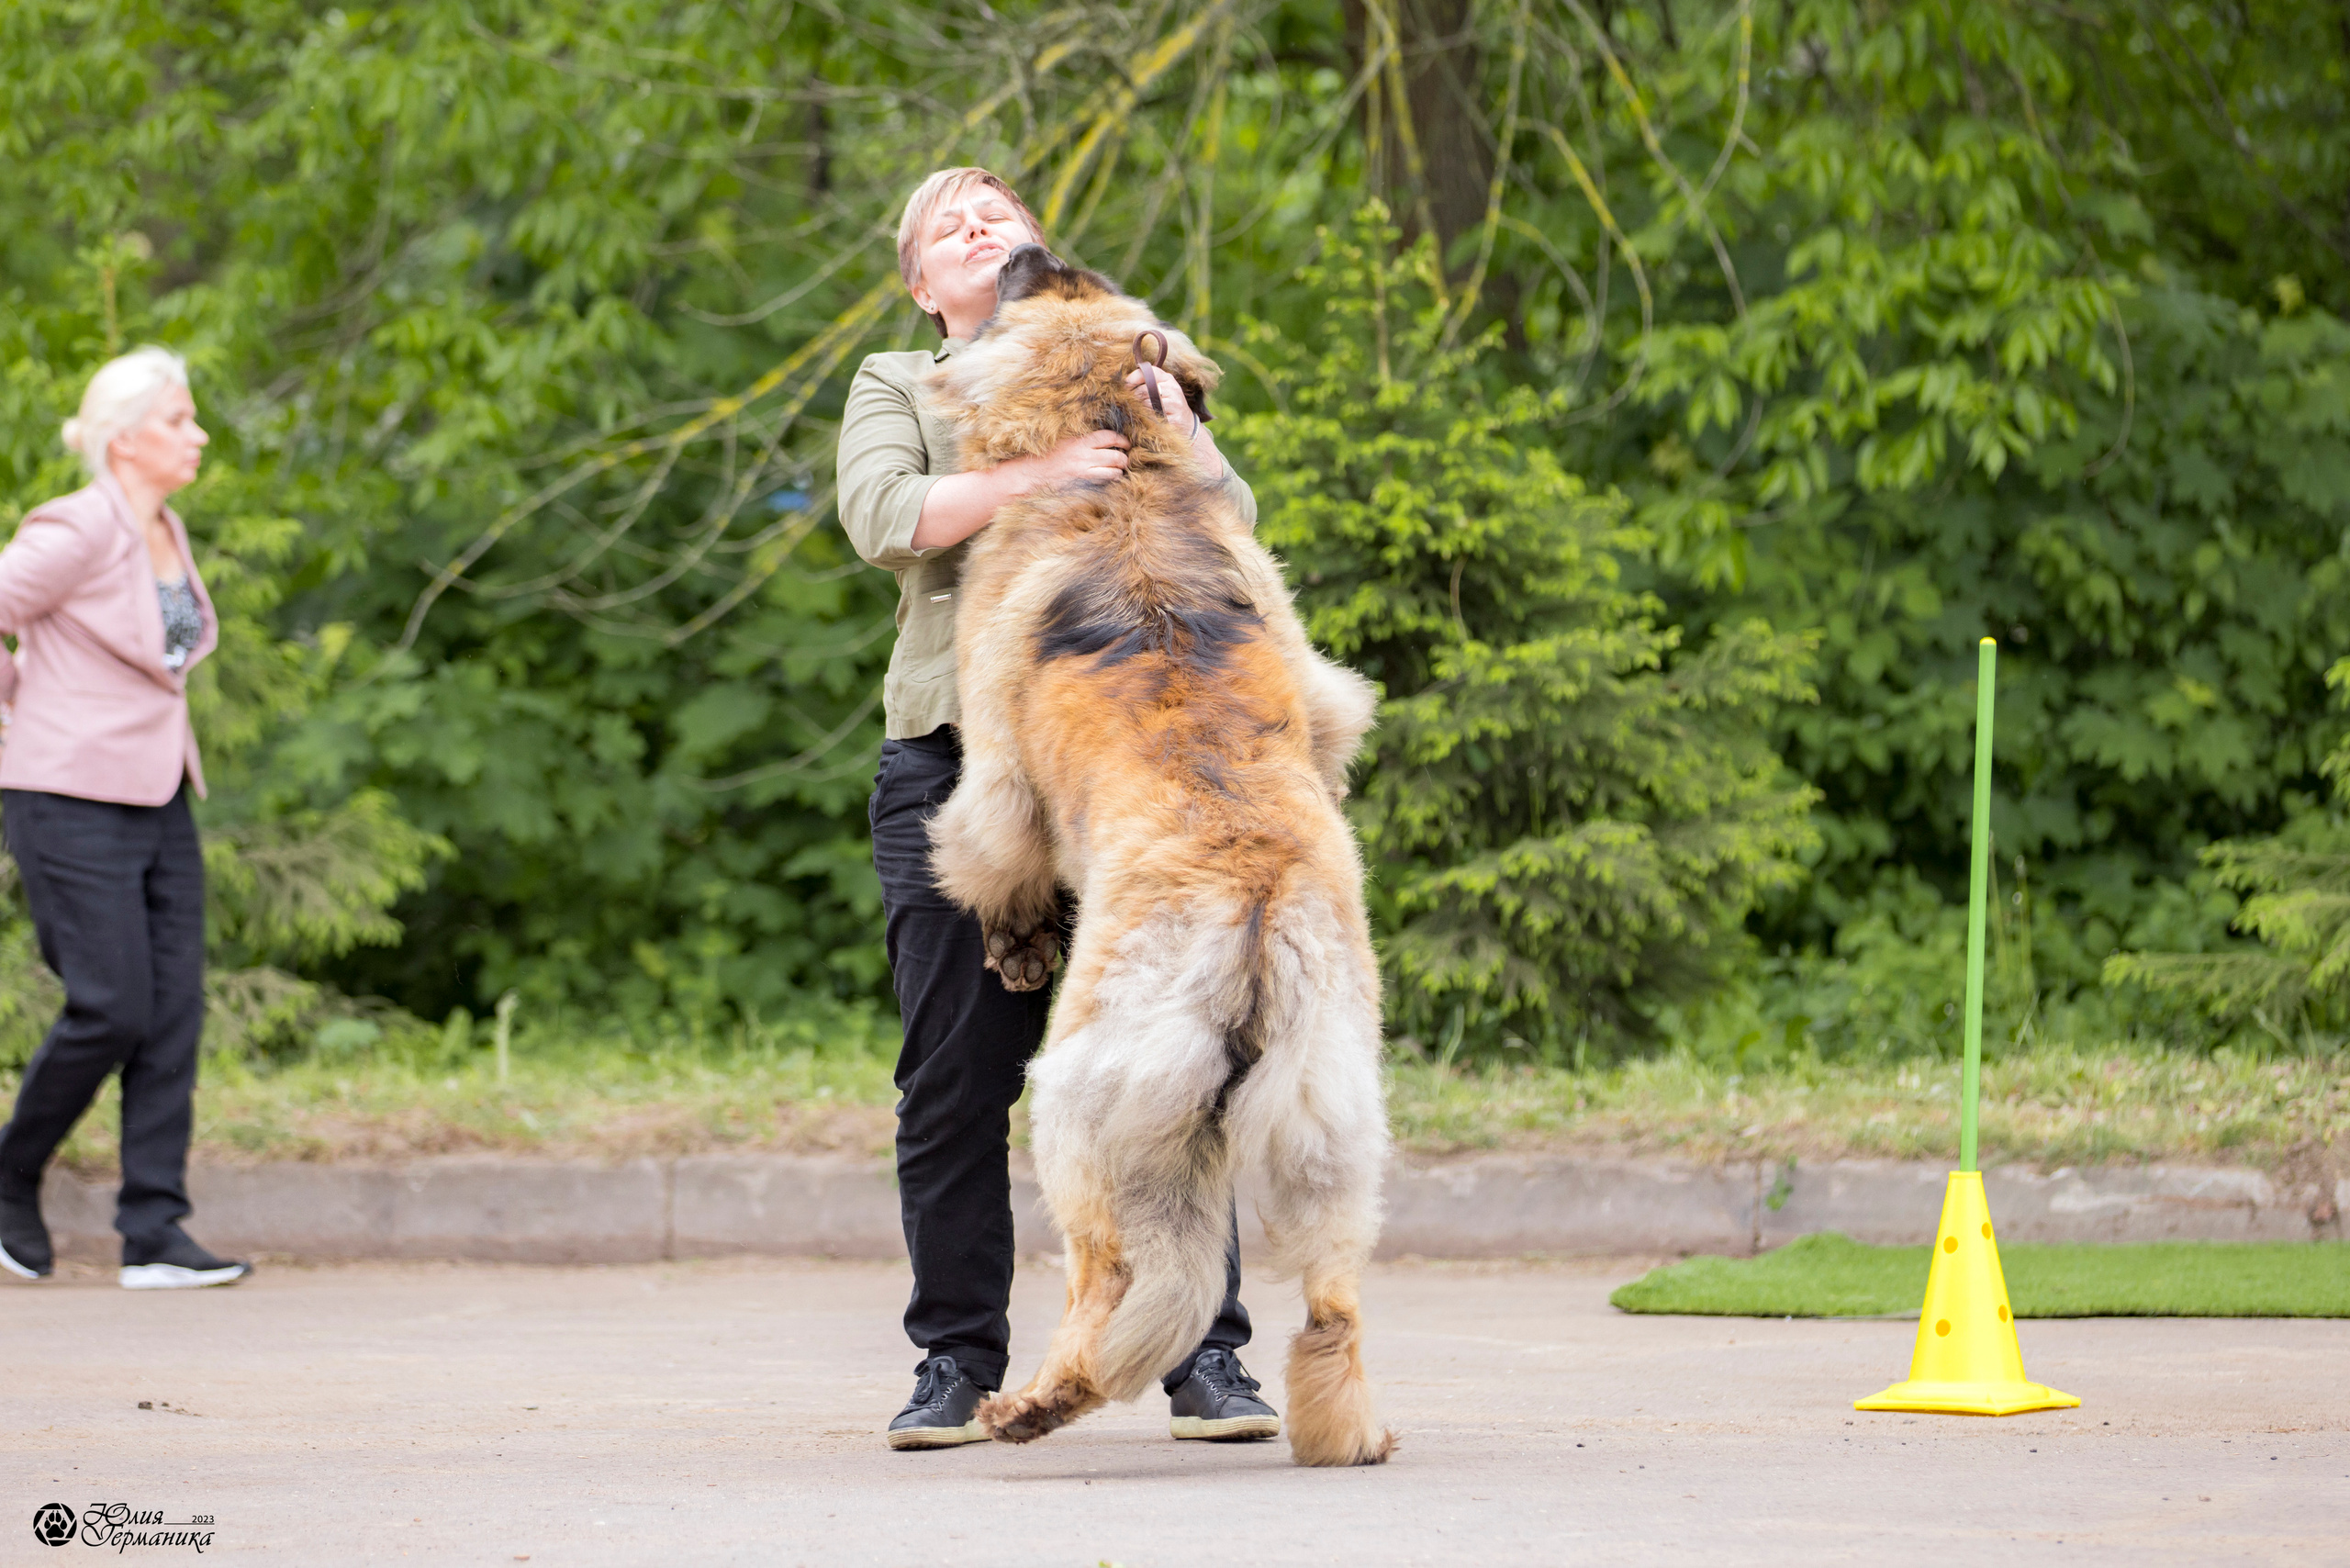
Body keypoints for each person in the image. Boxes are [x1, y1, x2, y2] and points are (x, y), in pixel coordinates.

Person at [837, 168, 1278, 1450]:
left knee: (1177, 1056)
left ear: (1038, 249)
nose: (977, 228)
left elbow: (1235, 521)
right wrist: (1039, 473)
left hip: (1127, 759)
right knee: (956, 1082)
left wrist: (1171, 424)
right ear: (924, 288)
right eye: (945, 227)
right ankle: (954, 1362)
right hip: (962, 765)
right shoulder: (897, 384)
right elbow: (885, 517)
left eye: (995, 214)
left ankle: (1206, 1362)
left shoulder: (1124, 352)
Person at [0, 346, 251, 1290]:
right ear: (126, 437)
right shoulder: (77, 526)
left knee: (172, 1013)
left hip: (158, 794)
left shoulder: (164, 529)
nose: (199, 434)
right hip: (65, 794)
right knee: (111, 1006)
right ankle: (8, 1176)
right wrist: (11, 714)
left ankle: (154, 1231)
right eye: (181, 419)